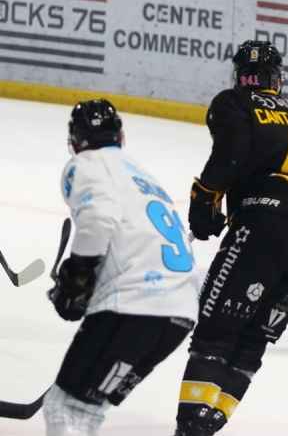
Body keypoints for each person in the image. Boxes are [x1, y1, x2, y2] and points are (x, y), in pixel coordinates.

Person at [175, 40, 288, 435]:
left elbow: (232, 154)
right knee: (252, 338)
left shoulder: (234, 101)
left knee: (216, 330)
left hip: (269, 220)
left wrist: (205, 197)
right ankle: (204, 427)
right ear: (277, 81)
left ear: (240, 78)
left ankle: (189, 430)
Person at [45, 99, 199, 436]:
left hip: (135, 305)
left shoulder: (86, 163)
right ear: (121, 138)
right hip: (179, 313)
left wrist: (78, 277)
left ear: (74, 142)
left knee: (65, 407)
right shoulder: (143, 176)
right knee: (87, 411)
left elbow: (98, 220)